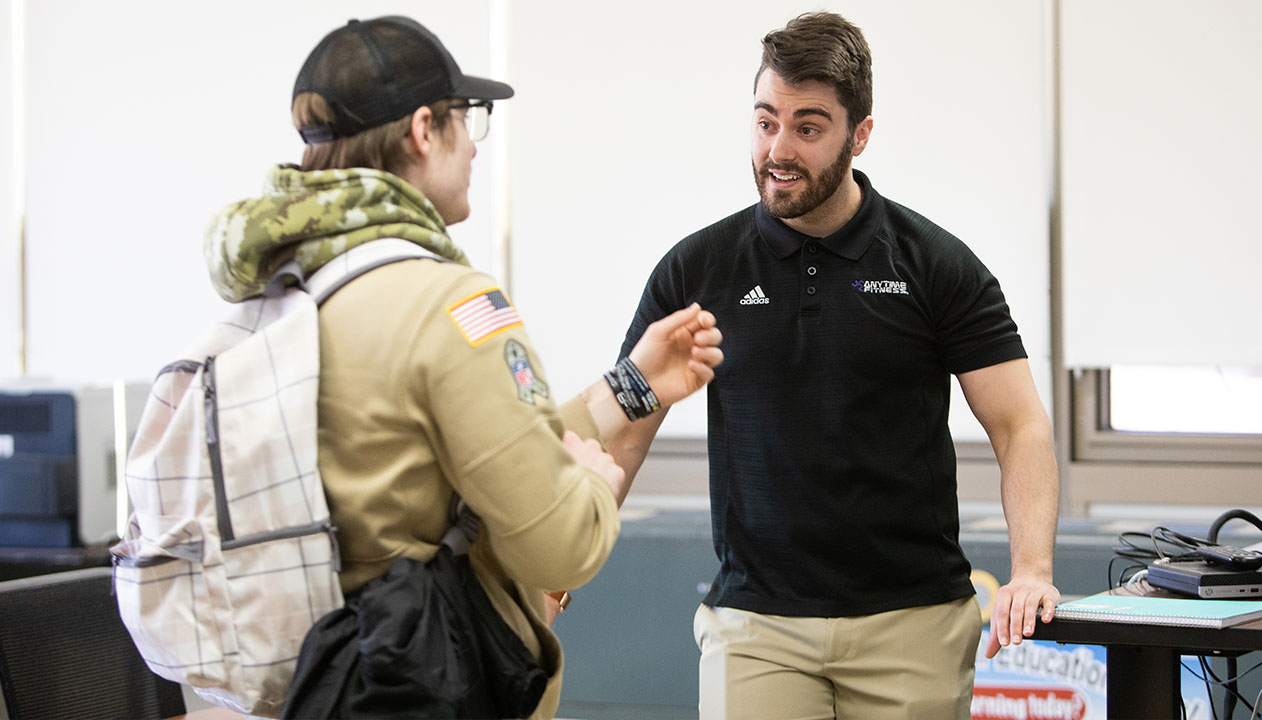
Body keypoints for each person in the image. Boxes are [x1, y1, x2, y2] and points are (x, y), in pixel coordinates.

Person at [201, 15, 722, 719]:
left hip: (319, 681)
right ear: (423, 130)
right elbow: (558, 548)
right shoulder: (452, 305)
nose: (475, 149)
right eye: (466, 120)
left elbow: (470, 456)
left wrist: (631, 386)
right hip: (427, 681)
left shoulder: (285, 291)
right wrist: (596, 491)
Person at [610, 11, 1060, 719]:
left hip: (913, 624)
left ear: (861, 133)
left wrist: (1032, 571)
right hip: (756, 626)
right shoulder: (696, 269)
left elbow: (1020, 426)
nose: (778, 149)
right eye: (765, 122)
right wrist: (560, 556)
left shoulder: (937, 266)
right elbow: (624, 430)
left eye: (808, 127)